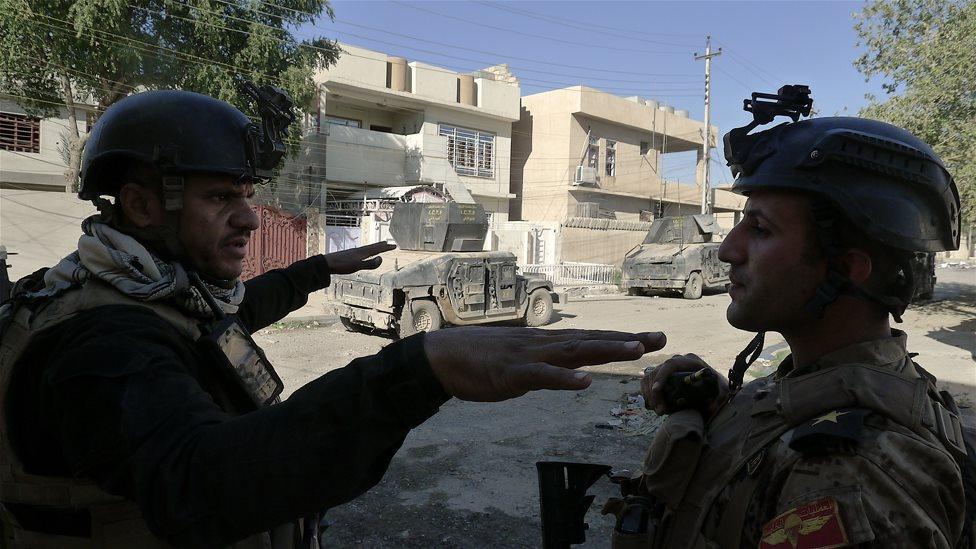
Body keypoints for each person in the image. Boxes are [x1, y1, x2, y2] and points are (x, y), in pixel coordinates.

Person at [0, 87, 666, 548]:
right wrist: (419, 369)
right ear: (143, 206)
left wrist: (316, 272)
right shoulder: (104, 343)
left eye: (246, 195)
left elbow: (225, 326)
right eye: (218, 197)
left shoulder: (142, 298)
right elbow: (198, 483)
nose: (246, 217)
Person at [614, 85, 972, 548]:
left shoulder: (853, 475)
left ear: (847, 268)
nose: (727, 250)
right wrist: (725, 407)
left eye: (760, 228)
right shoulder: (826, 382)